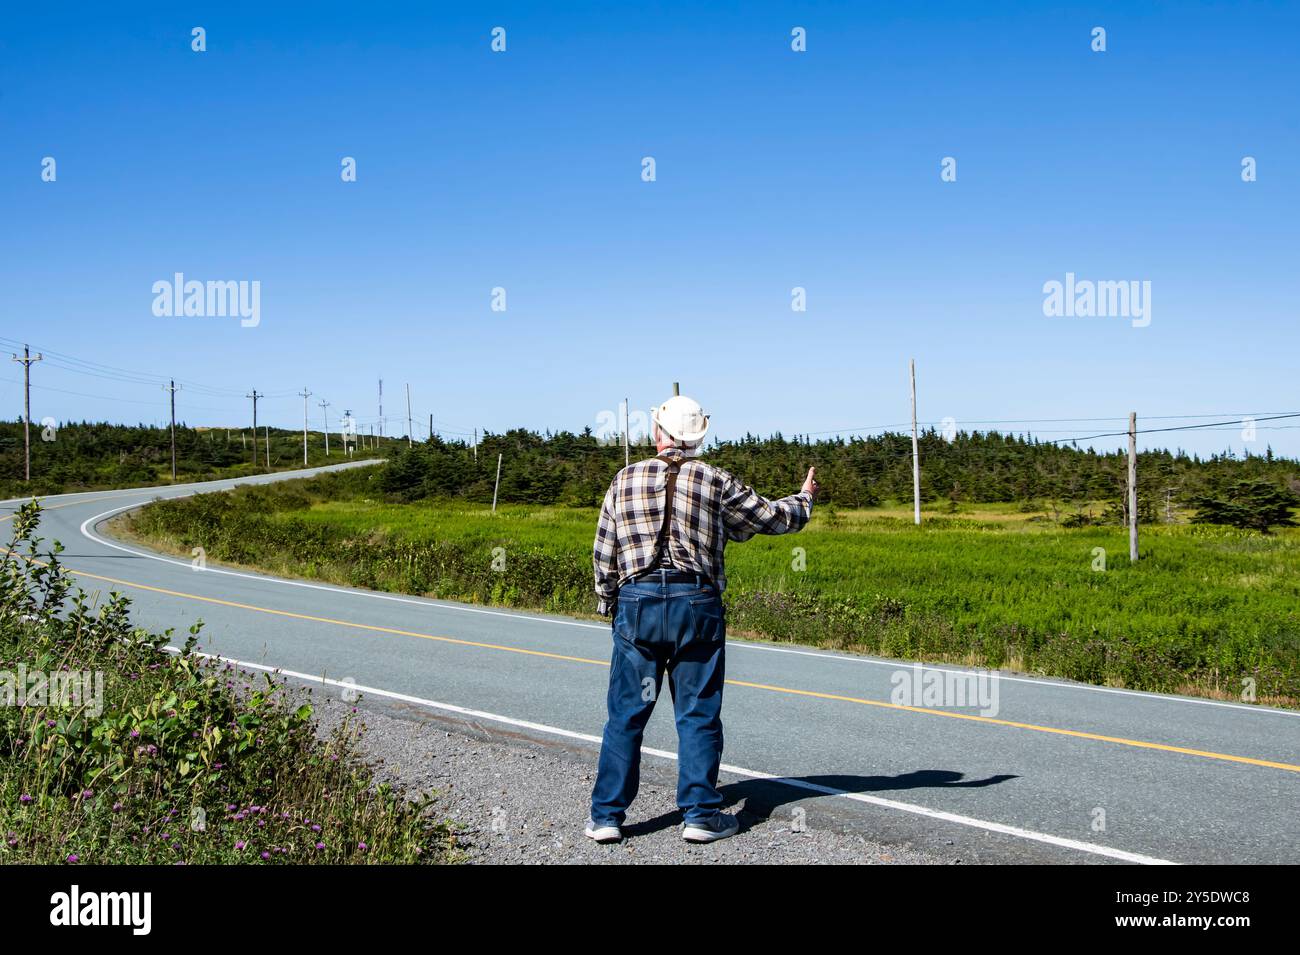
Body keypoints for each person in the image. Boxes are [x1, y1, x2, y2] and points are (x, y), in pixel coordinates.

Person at [587, 394, 819, 843]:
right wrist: (804, 499)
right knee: (697, 714)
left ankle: (607, 817)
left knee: (626, 714)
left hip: (637, 602)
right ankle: (699, 815)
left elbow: (604, 550)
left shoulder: (625, 478)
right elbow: (769, 518)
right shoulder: (714, 479)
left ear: (658, 432)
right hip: (698, 603)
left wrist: (608, 602)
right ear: (697, 436)